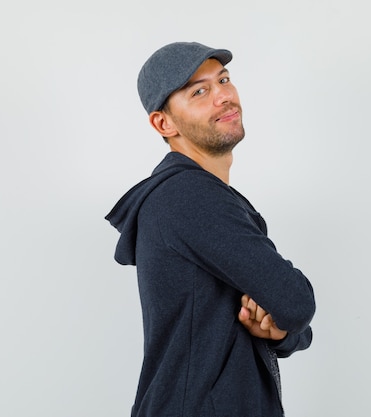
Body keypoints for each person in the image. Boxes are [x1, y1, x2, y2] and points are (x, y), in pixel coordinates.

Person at [105, 41, 316, 417]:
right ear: (163, 123)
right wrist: (288, 318)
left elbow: (291, 317)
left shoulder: (198, 196)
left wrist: (281, 330)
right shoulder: (187, 195)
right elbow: (296, 301)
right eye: (199, 91)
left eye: (224, 80)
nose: (223, 96)